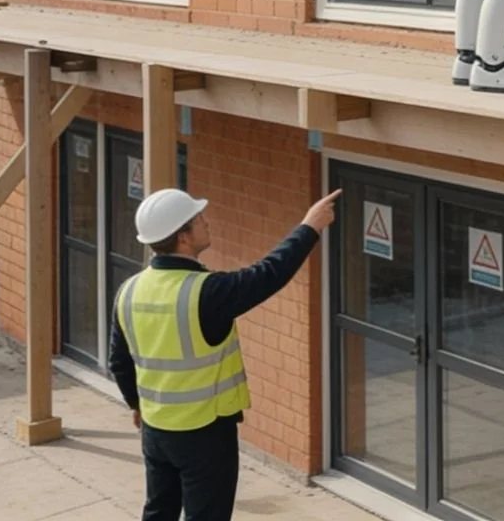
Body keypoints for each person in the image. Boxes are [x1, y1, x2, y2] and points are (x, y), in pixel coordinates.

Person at [109, 185, 342, 520]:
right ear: (183, 238)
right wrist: (310, 227)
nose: (207, 222)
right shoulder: (206, 293)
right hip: (204, 433)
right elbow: (268, 274)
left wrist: (136, 404)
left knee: (159, 511)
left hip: (157, 429)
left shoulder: (128, 291)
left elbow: (118, 362)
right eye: (199, 219)